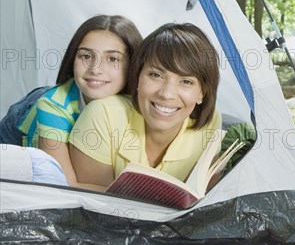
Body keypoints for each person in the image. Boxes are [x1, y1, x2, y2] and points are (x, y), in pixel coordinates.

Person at [69, 23, 222, 191]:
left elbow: (206, 196)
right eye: (156, 75)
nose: (167, 94)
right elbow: (94, 208)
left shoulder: (211, 122)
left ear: (202, 93)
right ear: (138, 78)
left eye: (186, 81)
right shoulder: (102, 115)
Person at [9, 15, 142, 186]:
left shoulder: (143, 102)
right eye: (86, 56)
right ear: (73, 58)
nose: (96, 69)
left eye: (112, 59)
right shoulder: (52, 106)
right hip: (24, 120)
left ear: (133, 64)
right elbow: (65, 186)